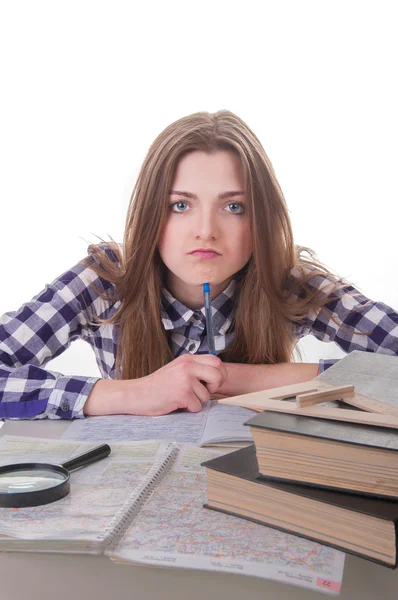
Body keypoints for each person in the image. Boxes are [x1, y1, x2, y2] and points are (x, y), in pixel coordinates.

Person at [1, 110, 398, 420]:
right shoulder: (107, 279)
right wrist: (136, 393)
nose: (205, 231)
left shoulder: (289, 281)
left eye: (233, 207)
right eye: (181, 205)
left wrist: (241, 378)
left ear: (260, 217)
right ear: (150, 213)